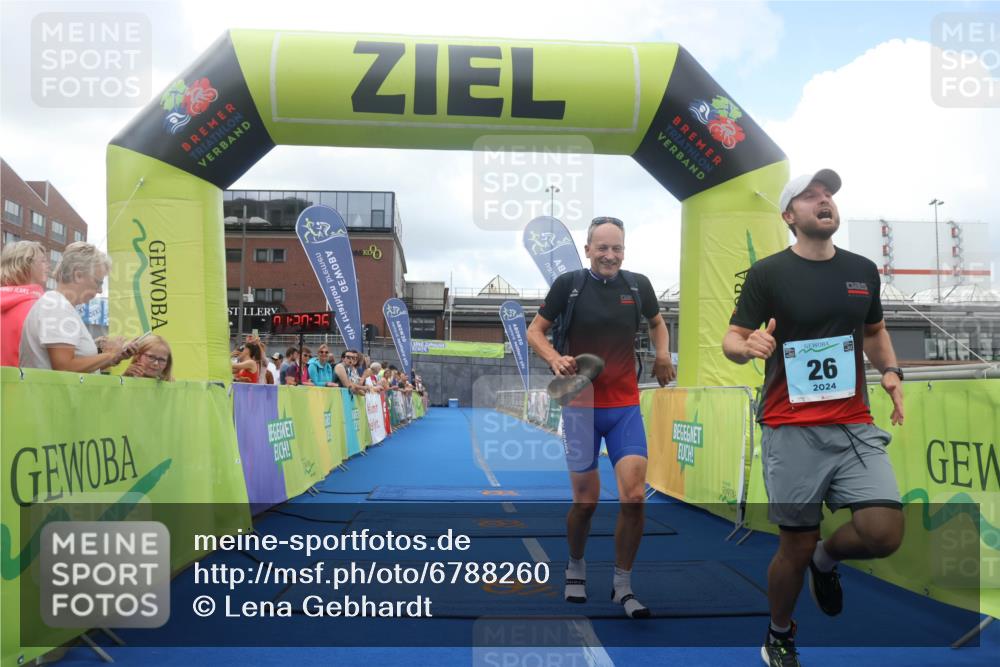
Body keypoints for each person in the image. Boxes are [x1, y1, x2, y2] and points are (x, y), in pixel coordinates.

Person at [721, 169, 904, 667]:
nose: (824, 201)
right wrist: (749, 345)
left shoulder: (864, 270)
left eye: (828, 196)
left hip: (853, 423)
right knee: (794, 548)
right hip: (790, 426)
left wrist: (889, 370)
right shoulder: (769, 274)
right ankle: (779, 633)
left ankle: (829, 559)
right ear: (789, 216)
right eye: (810, 196)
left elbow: (875, 332)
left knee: (884, 531)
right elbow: (732, 339)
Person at [526, 215, 675, 619]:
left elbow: (658, 324)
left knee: (633, 498)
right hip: (580, 409)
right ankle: (575, 563)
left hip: (625, 407)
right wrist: (555, 358)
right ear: (588, 249)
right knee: (586, 503)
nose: (610, 255)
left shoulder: (637, 285)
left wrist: (662, 354)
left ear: (624, 251)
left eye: (617, 248)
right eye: (602, 247)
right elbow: (535, 331)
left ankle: (622, 585)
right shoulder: (569, 286)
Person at [19, 242, 131, 372]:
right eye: (98, 282)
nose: (100, 290)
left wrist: (112, 358)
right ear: (78, 275)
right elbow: (64, 367)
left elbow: (74, 367)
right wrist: (110, 354)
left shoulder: (58, 304)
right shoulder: (57, 307)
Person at [1, 241, 50, 367]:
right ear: (27, 265)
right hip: (26, 383)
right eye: (43, 261)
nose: (48, 266)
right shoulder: (42, 308)